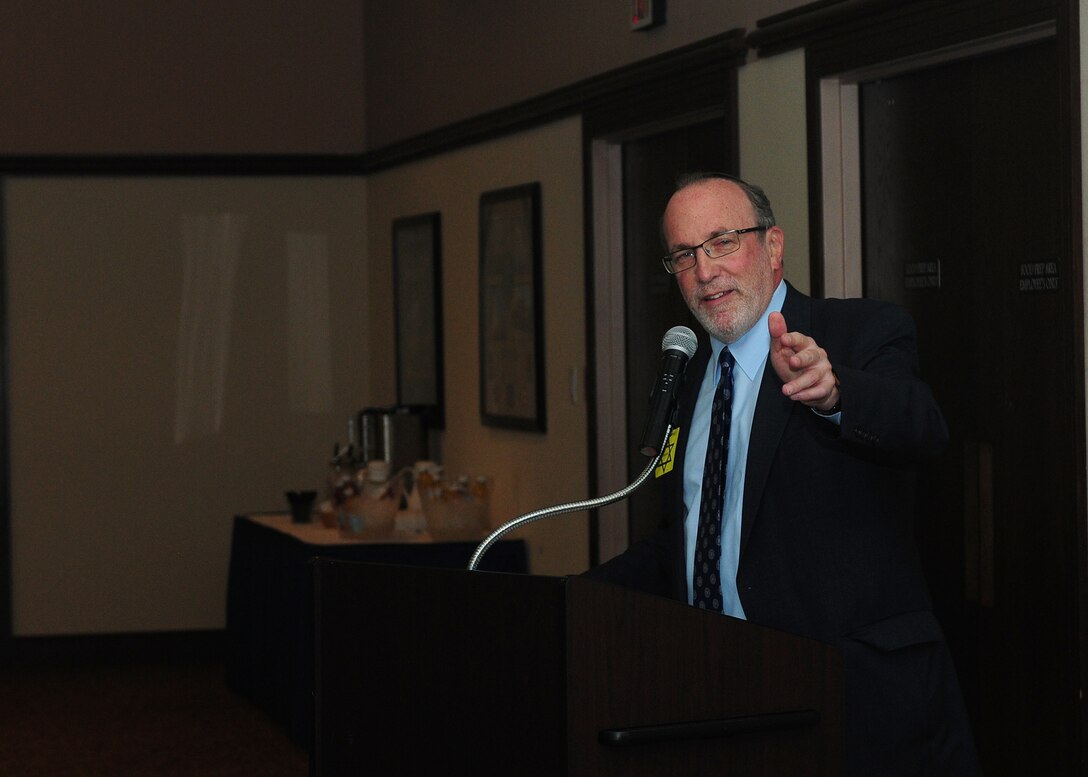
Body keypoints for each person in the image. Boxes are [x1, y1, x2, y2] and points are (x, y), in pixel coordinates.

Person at [585, 172, 980, 775]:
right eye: (685, 255)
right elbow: (695, 537)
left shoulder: (858, 333)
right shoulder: (687, 374)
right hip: (721, 699)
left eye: (722, 242)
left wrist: (837, 393)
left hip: (854, 704)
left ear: (772, 247)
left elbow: (921, 425)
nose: (706, 271)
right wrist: (572, 596)